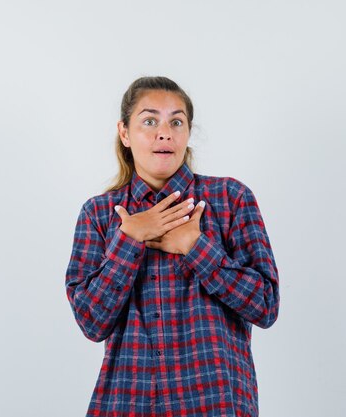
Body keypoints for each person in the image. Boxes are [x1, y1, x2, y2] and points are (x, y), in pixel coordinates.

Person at [65, 76, 280, 417]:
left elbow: (266, 306)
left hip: (215, 402)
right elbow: (91, 321)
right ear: (124, 133)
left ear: (187, 132)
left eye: (176, 122)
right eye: (149, 121)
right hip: (126, 403)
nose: (163, 133)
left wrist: (196, 247)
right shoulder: (100, 213)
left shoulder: (231, 198)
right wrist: (129, 240)